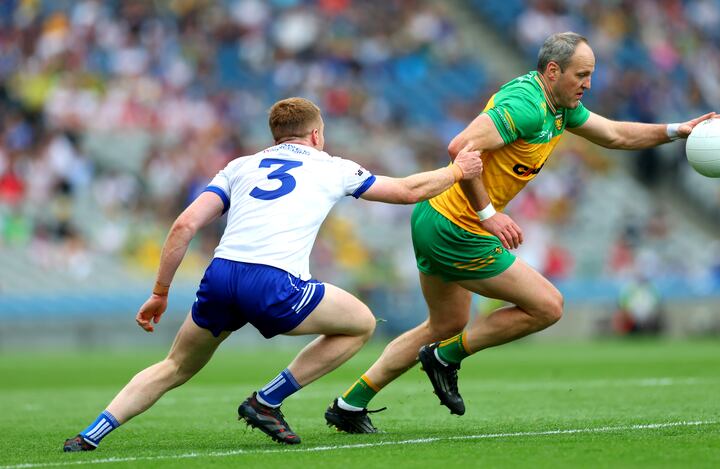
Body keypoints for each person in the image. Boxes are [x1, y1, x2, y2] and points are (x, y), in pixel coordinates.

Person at [324, 31, 720, 432]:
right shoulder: (527, 105)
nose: (588, 84)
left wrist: (677, 130)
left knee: (444, 325)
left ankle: (350, 404)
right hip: (455, 226)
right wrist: (488, 214)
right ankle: (444, 357)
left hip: (437, 216)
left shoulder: (560, 108)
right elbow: (460, 147)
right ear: (553, 71)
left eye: (590, 75)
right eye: (581, 75)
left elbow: (616, 134)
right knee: (548, 306)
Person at [63, 97, 482, 451]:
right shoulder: (331, 166)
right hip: (272, 282)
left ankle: (89, 436)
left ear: (276, 135)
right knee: (361, 323)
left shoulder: (239, 166)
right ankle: (267, 401)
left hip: (221, 276)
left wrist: (160, 292)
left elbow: (184, 226)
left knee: (174, 365)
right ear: (315, 135)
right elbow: (407, 192)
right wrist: (457, 171)